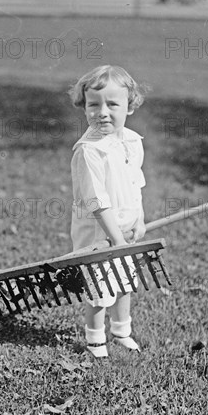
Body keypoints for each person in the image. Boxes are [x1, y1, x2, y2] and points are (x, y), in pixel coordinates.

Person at [68, 65, 147, 358]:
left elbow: (135, 184)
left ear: (130, 106)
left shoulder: (131, 142)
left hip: (124, 230)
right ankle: (95, 340)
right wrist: (116, 239)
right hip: (98, 232)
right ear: (84, 106)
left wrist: (139, 220)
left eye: (112, 104)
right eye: (93, 104)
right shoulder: (89, 151)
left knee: (124, 282)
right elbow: (97, 201)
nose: (102, 111)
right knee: (100, 288)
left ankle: (122, 332)